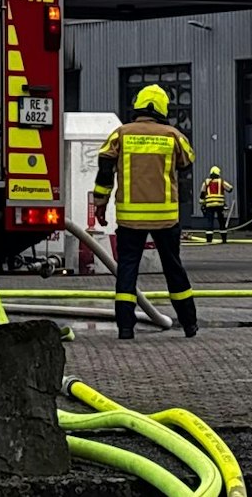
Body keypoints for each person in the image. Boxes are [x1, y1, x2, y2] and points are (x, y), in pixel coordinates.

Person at [92, 84, 199, 339]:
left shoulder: (120, 135)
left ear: (138, 105)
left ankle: (126, 328)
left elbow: (104, 170)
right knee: (174, 268)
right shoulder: (174, 136)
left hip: (130, 218)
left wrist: (100, 203)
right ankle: (189, 324)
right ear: (162, 108)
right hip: (165, 218)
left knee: (128, 270)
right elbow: (187, 162)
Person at [199, 166, 230, 243]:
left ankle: (209, 239)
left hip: (209, 205)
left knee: (210, 221)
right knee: (221, 221)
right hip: (220, 205)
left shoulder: (206, 182)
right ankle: (224, 239)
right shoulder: (221, 181)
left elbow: (202, 192)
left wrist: (202, 203)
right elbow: (230, 188)